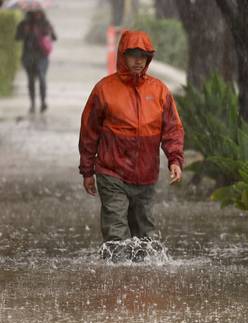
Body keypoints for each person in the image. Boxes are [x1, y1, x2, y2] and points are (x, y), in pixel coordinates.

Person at [78, 30, 184, 255]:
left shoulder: (159, 91)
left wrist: (175, 159)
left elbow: (172, 128)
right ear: (122, 56)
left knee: (145, 240)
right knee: (116, 237)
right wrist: (87, 171)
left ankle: (140, 288)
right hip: (111, 173)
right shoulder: (104, 90)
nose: (138, 61)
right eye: (133, 55)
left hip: (146, 177)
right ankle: (116, 284)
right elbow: (89, 132)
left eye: (143, 56)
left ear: (149, 58)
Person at [15, 7, 56, 113]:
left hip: (42, 57)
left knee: (42, 77)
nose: (36, 14)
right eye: (34, 13)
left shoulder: (45, 23)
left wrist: (49, 32)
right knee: (31, 80)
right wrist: (25, 32)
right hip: (28, 56)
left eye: (38, 12)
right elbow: (17, 37)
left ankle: (43, 102)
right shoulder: (24, 23)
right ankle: (32, 104)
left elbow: (54, 37)